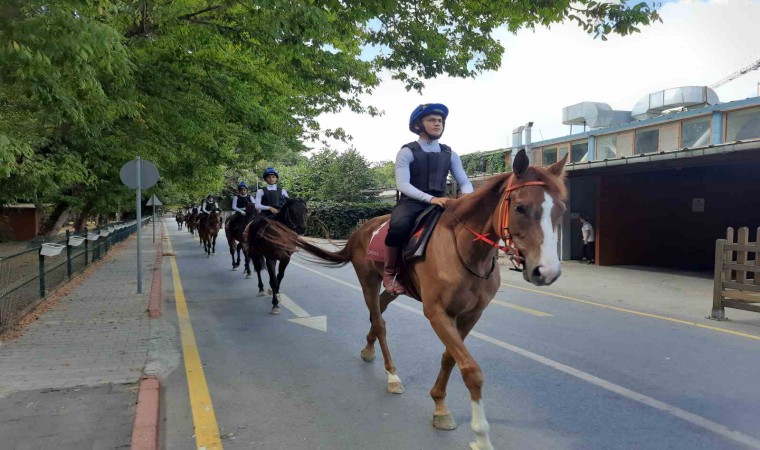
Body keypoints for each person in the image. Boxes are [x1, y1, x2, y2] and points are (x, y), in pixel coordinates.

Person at [383, 103, 474, 295]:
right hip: (412, 203)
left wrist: (466, 196)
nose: (437, 124)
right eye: (432, 120)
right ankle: (390, 273)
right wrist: (431, 199)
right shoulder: (406, 152)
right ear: (418, 125)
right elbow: (403, 185)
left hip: (443, 203)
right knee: (398, 227)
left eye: (440, 121)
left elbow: (465, 182)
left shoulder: (450, 153)